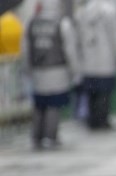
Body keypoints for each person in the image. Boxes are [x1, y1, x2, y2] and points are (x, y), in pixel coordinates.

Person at [20, 0, 80, 150]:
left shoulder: (31, 23)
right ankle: (51, 136)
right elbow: (70, 50)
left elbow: (25, 49)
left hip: (37, 71)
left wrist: (27, 69)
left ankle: (37, 136)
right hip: (57, 70)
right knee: (54, 104)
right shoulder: (62, 24)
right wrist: (75, 70)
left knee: (39, 105)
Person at [75, 0, 116, 131]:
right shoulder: (110, 11)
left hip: (88, 59)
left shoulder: (81, 13)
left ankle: (92, 120)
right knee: (104, 93)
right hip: (106, 58)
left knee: (91, 93)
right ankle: (102, 120)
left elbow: (77, 38)